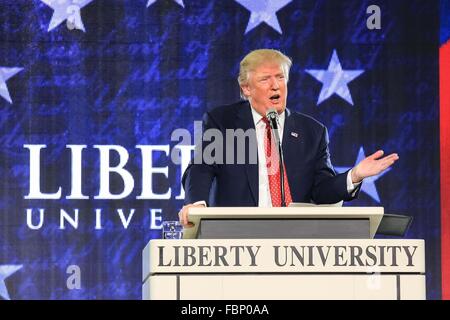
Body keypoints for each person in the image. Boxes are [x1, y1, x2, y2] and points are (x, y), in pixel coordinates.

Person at [179, 49, 399, 227]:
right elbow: (201, 167)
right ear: (246, 88)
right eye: (265, 79)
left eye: (280, 78)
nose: (275, 85)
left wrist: (354, 175)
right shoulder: (223, 122)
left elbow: (322, 190)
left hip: (295, 241)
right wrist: (197, 205)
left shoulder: (312, 131)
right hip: (236, 236)